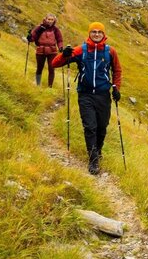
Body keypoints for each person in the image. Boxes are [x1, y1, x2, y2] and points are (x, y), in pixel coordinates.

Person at [51, 22, 122, 175]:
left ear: (104, 35)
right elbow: (55, 63)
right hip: (86, 95)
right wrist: (64, 55)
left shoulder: (110, 52)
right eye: (93, 32)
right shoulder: (80, 50)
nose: (96, 34)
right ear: (89, 33)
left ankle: (98, 150)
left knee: (102, 127)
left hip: (103, 96)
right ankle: (93, 159)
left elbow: (117, 70)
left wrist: (116, 87)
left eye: (99, 32)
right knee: (90, 126)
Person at [28, 14, 64, 87]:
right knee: (39, 68)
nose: (50, 21)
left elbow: (59, 40)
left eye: (52, 19)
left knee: (51, 69)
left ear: (54, 21)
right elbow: (33, 38)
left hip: (52, 51)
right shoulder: (39, 28)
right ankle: (38, 84)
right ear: (45, 19)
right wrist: (29, 37)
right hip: (40, 51)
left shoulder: (55, 29)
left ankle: (50, 87)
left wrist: (60, 47)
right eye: (49, 19)